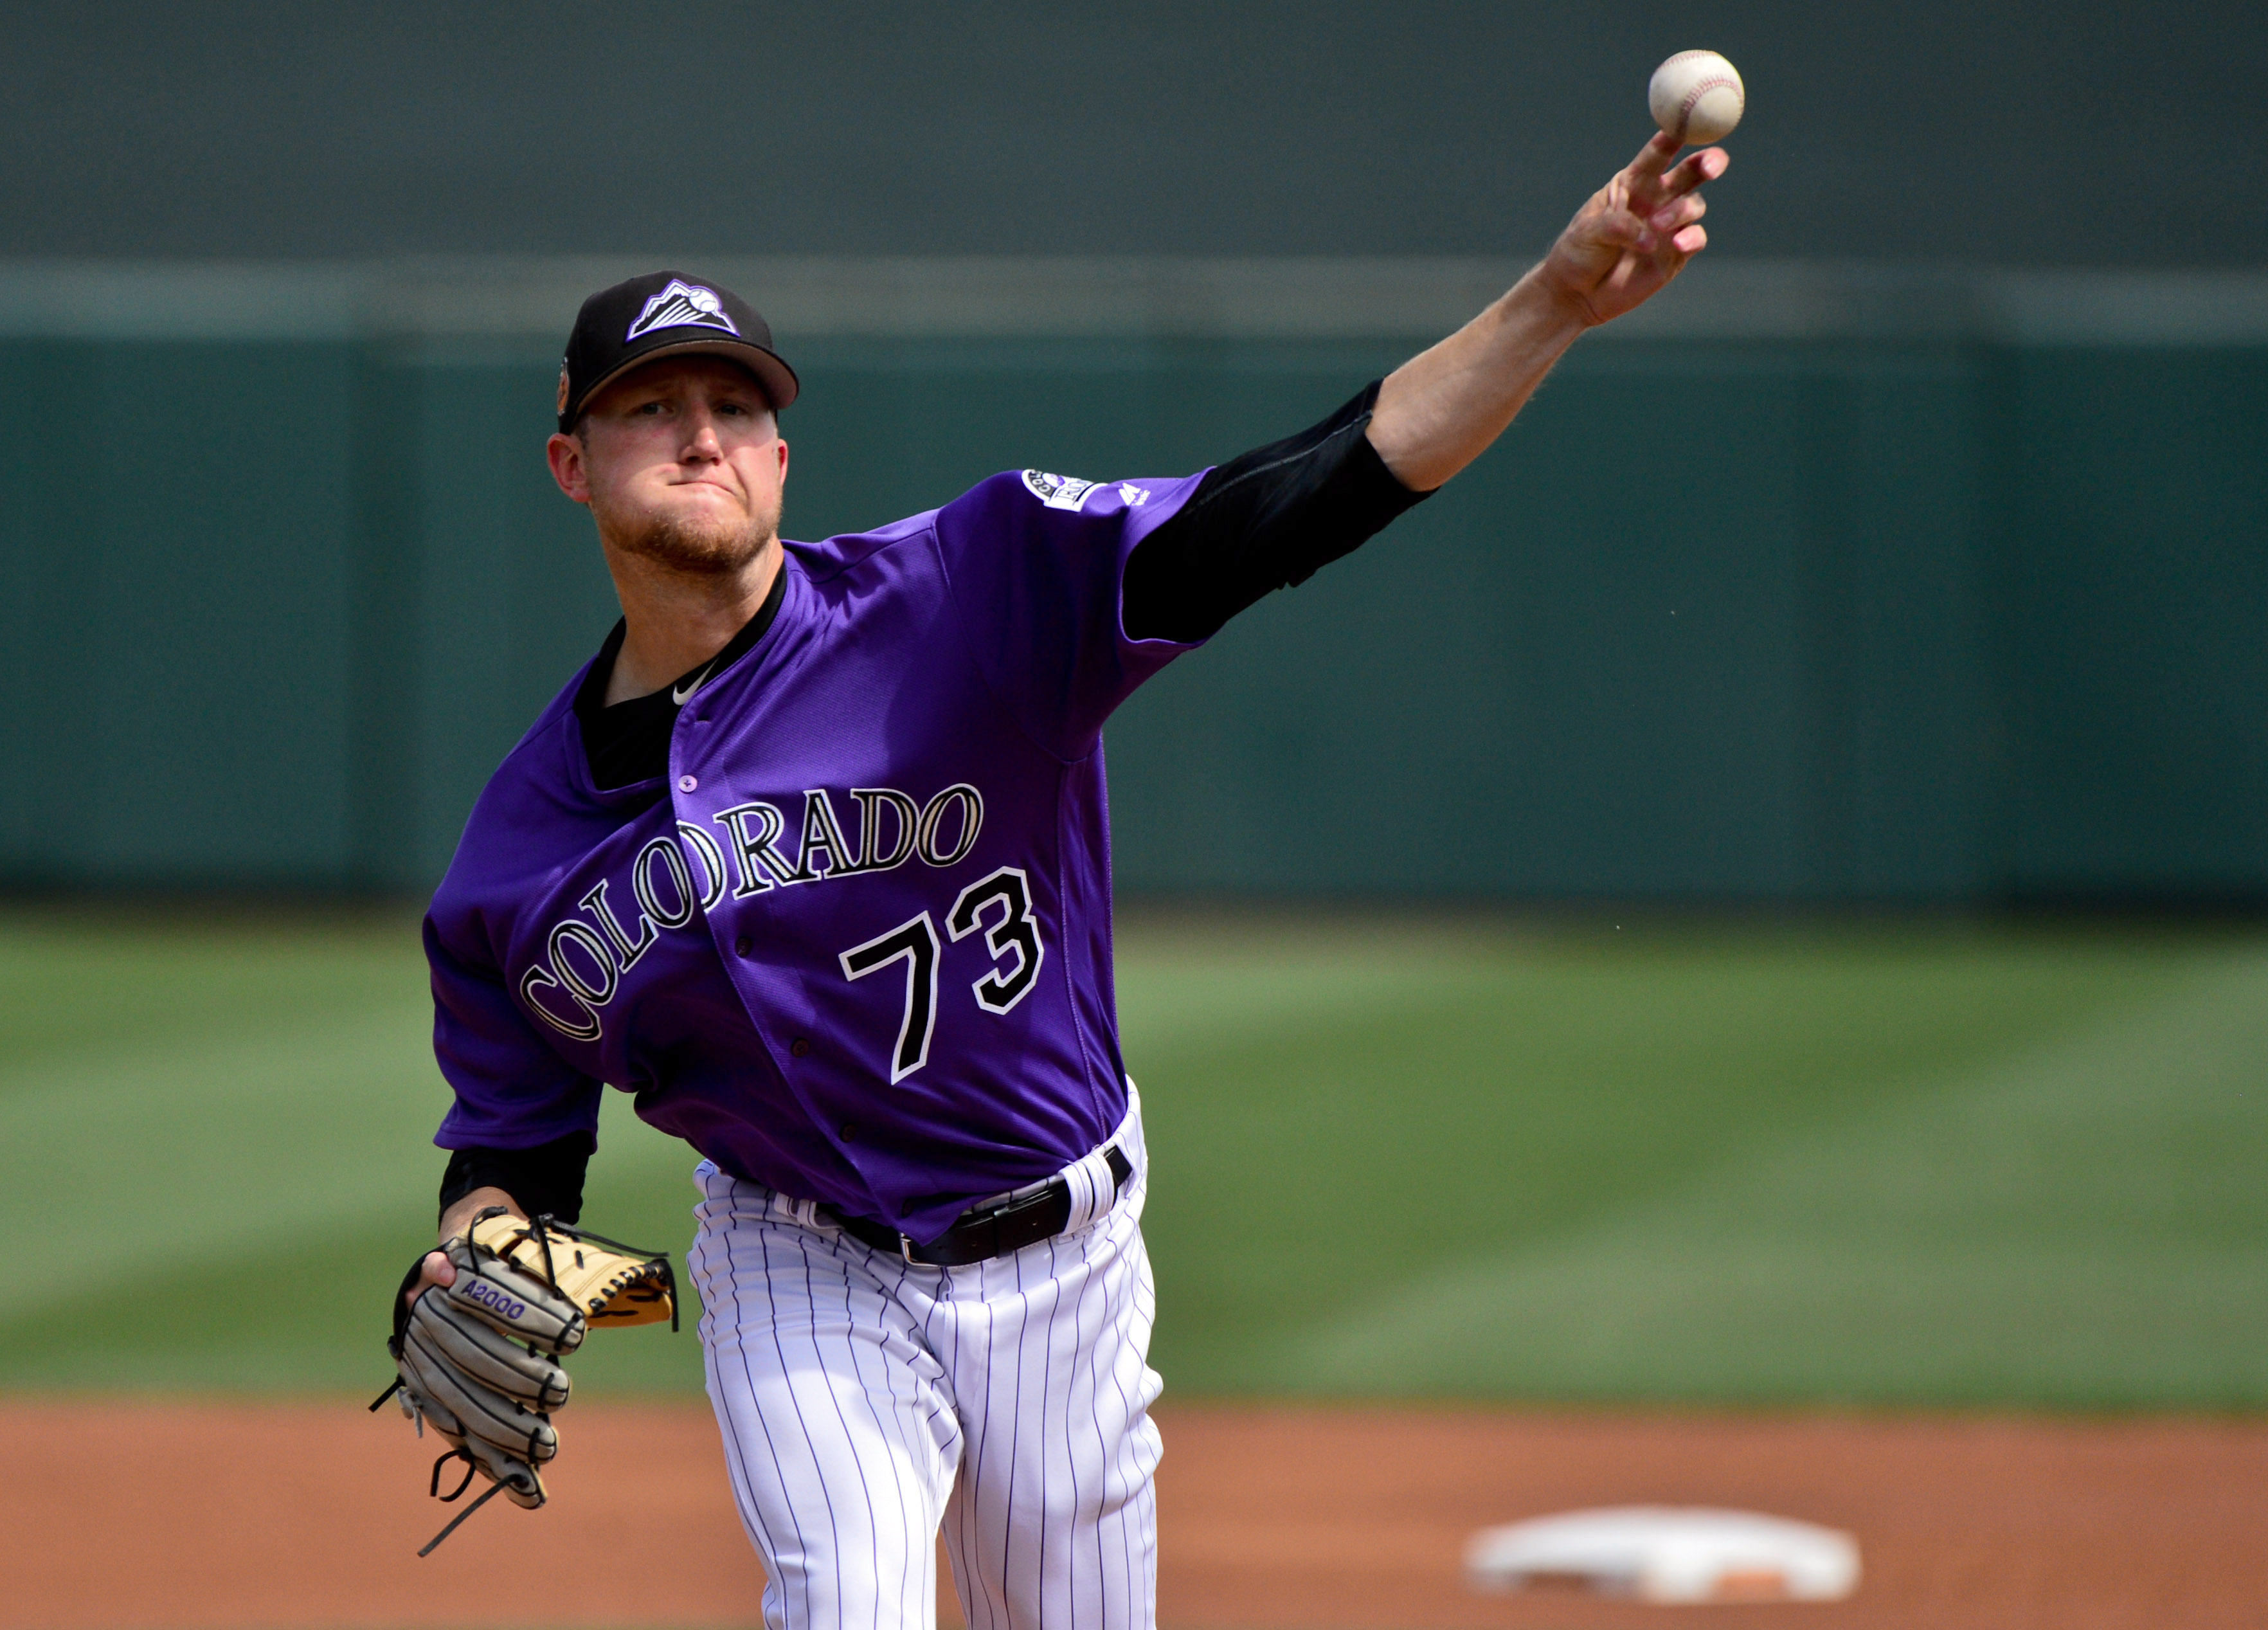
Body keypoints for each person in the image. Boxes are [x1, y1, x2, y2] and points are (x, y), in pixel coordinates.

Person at [402, 132, 1726, 1630]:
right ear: (572, 464)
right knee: (845, 1600)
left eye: (735, 406)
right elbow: (515, 1160)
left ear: (779, 459)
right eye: (649, 407)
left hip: (1063, 1257)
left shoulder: (969, 593)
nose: (699, 436)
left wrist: (1551, 300)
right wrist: (473, 1252)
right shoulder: (515, 862)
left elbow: (1292, 499)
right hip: (794, 1257)